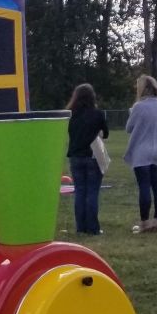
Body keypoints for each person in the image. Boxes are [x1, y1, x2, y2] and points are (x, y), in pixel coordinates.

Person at [123, 75, 157, 233]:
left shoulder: (138, 107)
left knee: (144, 185)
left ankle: (144, 223)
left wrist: (132, 113)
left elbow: (129, 128)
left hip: (142, 151)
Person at [65, 83, 108, 235]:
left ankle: (80, 227)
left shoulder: (70, 115)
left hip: (75, 156)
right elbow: (106, 133)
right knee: (92, 192)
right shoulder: (97, 114)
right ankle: (92, 227)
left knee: (80, 192)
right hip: (92, 156)